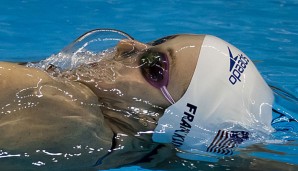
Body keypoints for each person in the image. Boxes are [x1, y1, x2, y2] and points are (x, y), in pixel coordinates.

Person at [0, 29, 294, 170]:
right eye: (156, 42)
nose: (126, 44)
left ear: (161, 118)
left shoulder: (54, 101)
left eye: (153, 64)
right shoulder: (145, 152)